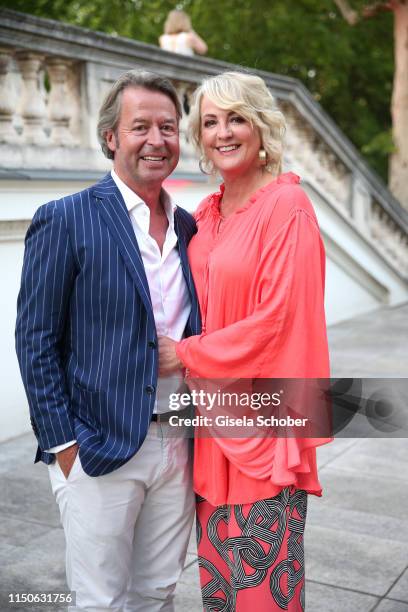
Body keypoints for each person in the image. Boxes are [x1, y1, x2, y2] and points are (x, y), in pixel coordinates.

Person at [15, 69, 201, 612]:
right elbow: (36, 339)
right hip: (98, 447)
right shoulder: (65, 218)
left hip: (180, 442)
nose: (156, 140)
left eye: (167, 127)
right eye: (139, 126)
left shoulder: (190, 227)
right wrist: (62, 446)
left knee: (159, 592)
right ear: (111, 137)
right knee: (101, 600)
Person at [158, 71, 332, 611]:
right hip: (212, 422)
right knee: (219, 589)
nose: (223, 132)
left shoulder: (287, 208)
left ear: (261, 127)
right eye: (210, 121)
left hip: (262, 421)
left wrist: (185, 354)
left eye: (236, 118)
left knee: (262, 592)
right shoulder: (207, 214)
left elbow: (278, 320)